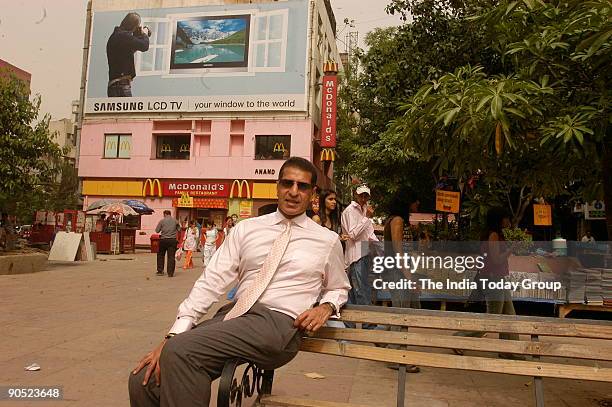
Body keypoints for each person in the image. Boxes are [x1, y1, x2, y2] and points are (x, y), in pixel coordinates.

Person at [128, 157, 350, 407]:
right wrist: (173, 335)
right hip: (236, 315)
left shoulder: (326, 240)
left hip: (278, 324)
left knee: (181, 352)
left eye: (302, 186)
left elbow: (339, 287)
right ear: (277, 186)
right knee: (144, 379)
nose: (293, 191)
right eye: (287, 183)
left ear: (312, 194)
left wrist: (326, 307)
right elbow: (213, 278)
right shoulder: (247, 229)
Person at [453, 207, 524, 360]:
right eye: (506, 218)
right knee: (493, 317)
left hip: (499, 278)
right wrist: (511, 249)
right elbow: (496, 259)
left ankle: (508, 349)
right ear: (499, 219)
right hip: (492, 279)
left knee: (509, 315)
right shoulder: (493, 236)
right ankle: (460, 338)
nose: (509, 222)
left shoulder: (498, 235)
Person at [382, 194, 421, 372]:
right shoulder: (396, 220)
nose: (417, 204)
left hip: (399, 271)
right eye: (415, 200)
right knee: (402, 313)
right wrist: (408, 276)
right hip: (397, 272)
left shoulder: (397, 220)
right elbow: (398, 252)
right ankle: (395, 356)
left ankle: (383, 339)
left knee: (402, 310)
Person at [341, 185, 379, 310]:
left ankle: (353, 325)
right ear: (355, 195)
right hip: (355, 257)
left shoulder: (363, 210)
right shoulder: (350, 211)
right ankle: (367, 324)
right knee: (360, 291)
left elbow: (369, 233)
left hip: (364, 254)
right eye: (361, 195)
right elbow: (352, 234)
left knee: (360, 290)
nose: (363, 198)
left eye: (366, 196)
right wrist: (366, 218)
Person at [106, 12, 151, 97]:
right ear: (133, 26)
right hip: (120, 86)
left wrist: (138, 36)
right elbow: (144, 46)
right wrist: (144, 34)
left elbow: (130, 49)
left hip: (116, 86)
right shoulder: (123, 36)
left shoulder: (117, 36)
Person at [155, 210, 180, 277]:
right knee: (171, 257)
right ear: (170, 214)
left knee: (160, 255)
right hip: (172, 240)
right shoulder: (175, 221)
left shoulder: (162, 221)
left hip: (163, 240)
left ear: (165, 214)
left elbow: (157, 231)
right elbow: (179, 229)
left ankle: (160, 271)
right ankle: (170, 273)